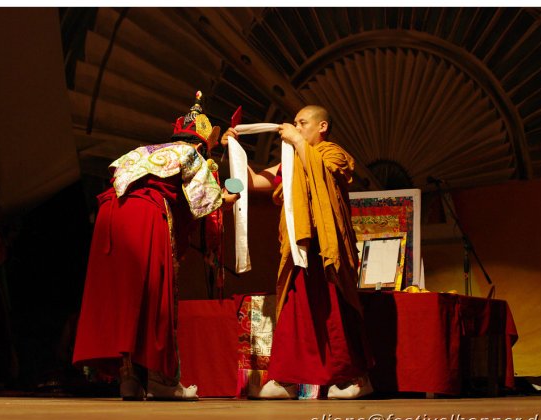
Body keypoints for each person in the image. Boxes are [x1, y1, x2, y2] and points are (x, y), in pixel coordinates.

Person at [73, 92, 239, 401]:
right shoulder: (190, 154)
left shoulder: (144, 150)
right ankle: (162, 380)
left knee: (123, 298)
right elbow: (209, 202)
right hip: (145, 215)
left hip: (109, 217)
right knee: (155, 295)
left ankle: (129, 378)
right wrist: (230, 197)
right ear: (202, 144)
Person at [221, 105, 374, 399]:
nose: (295, 127)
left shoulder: (333, 153)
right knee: (294, 311)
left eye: (302, 123)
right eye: (294, 123)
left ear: (322, 127)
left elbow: (324, 177)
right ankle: (286, 380)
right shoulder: (288, 163)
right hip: (296, 246)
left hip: (326, 245)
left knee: (335, 309)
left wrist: (298, 142)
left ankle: (353, 380)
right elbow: (251, 182)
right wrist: (234, 150)